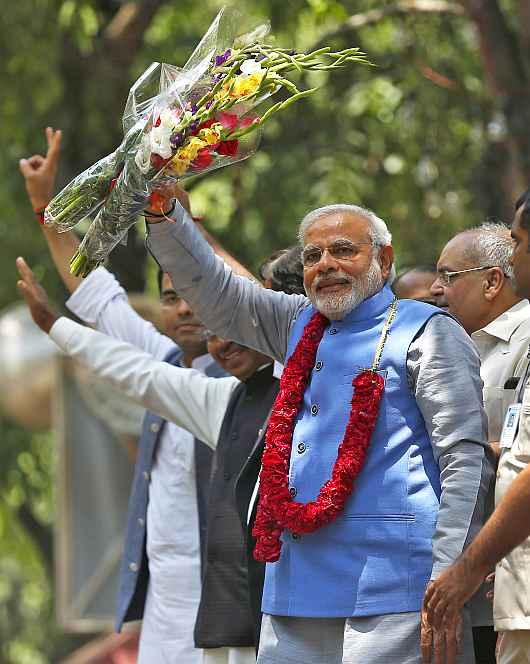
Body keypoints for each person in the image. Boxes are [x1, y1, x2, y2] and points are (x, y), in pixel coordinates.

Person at [138, 196, 493, 663]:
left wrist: (452, 572)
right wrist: (166, 218)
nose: (326, 265)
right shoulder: (296, 322)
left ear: (384, 260)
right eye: (312, 256)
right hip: (295, 591)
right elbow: (216, 294)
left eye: (344, 250)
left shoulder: (426, 330)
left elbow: (465, 460)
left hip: (398, 592)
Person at [18, 128, 248, 664]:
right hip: (164, 602)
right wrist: (44, 207)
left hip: (231, 596)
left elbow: (246, 294)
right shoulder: (162, 359)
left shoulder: (249, 380)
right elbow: (97, 295)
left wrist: (182, 225)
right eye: (172, 299)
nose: (185, 309)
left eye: (195, 294)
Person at [16, 251, 305, 664]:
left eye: (234, 326)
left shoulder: (319, 391)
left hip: (294, 618)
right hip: (221, 624)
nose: (222, 343)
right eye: (214, 331)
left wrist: (189, 233)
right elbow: (137, 372)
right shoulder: (224, 399)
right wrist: (55, 326)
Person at [424, 190, 530, 664]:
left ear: (491, 283)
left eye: (449, 276)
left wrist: (470, 566)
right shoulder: (448, 345)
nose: (434, 287)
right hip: (501, 583)